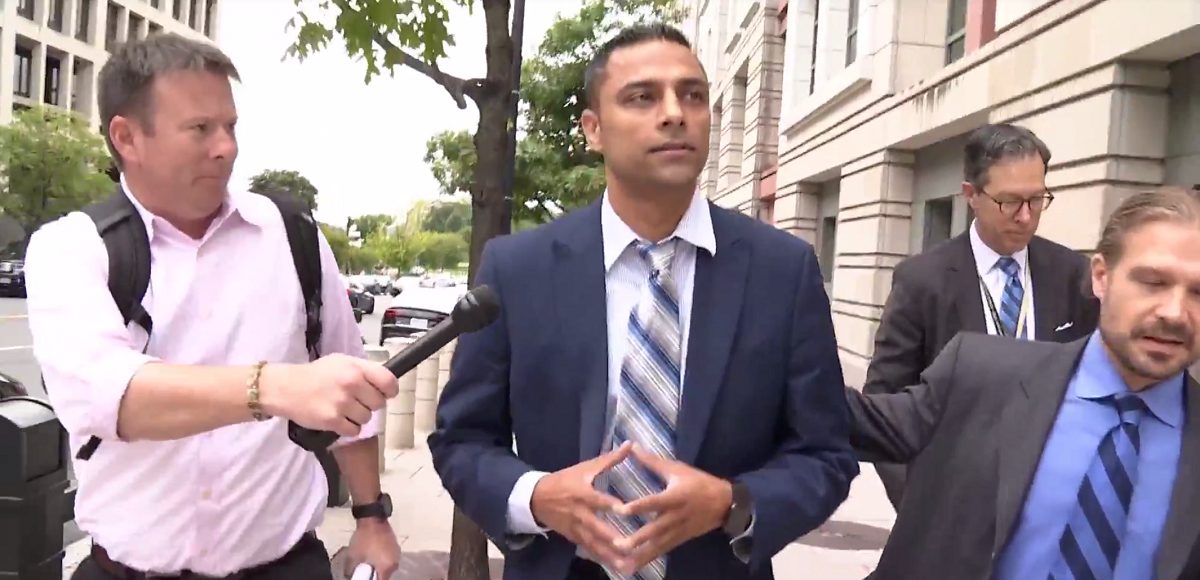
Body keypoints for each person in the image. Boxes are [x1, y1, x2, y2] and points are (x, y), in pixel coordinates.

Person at [427, 23, 858, 580]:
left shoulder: (783, 271)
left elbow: (827, 453)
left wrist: (733, 503)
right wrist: (535, 497)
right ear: (593, 129)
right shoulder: (517, 269)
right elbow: (461, 440)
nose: (675, 112)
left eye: (692, 95)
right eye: (642, 97)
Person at [24, 34, 402, 580]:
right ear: (127, 137)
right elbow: (114, 398)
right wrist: (275, 387)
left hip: (285, 566)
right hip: (128, 569)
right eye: (200, 129)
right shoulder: (71, 248)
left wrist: (371, 515)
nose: (226, 147)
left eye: (231, 126)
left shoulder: (293, 235)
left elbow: (349, 394)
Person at [846, 185, 1200, 579]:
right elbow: (850, 419)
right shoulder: (981, 374)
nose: (1175, 312)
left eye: (1199, 293)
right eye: (1153, 282)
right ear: (1101, 277)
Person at [863, 123, 1100, 508]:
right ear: (971, 195)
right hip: (951, 504)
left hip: (1051, 504)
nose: (1026, 217)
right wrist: (920, 506)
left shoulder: (1073, 274)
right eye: (1009, 202)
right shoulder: (923, 280)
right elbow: (883, 402)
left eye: (1037, 200)